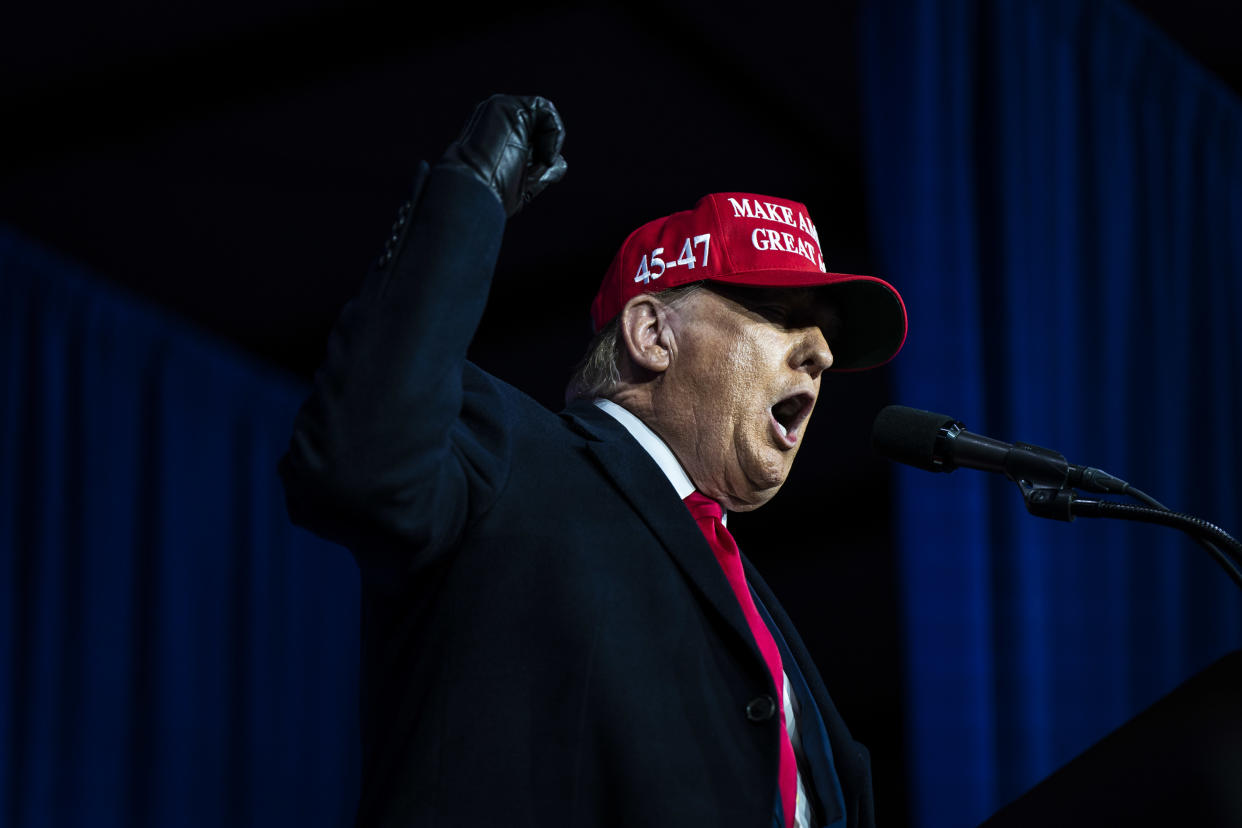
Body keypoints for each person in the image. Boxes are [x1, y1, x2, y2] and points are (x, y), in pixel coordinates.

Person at [280, 94, 907, 828]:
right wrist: (468, 195)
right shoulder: (512, 453)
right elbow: (359, 465)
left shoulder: (762, 616)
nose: (822, 354)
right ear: (651, 333)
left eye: (826, 333)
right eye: (777, 311)